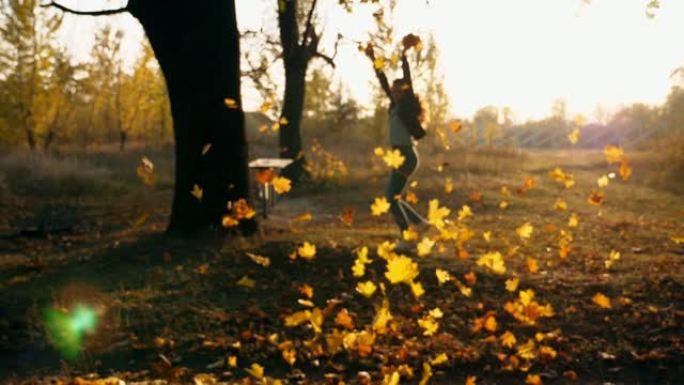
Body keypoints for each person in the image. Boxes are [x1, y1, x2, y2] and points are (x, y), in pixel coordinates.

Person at [365, 35, 430, 246]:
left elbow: (407, 80)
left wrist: (403, 56)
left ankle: (407, 235)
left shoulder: (407, 104)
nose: (392, 92)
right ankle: (420, 223)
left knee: (390, 198)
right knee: (394, 197)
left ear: (404, 92)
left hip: (406, 155)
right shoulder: (394, 105)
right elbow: (382, 80)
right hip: (398, 156)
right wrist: (373, 57)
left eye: (396, 91)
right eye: (391, 91)